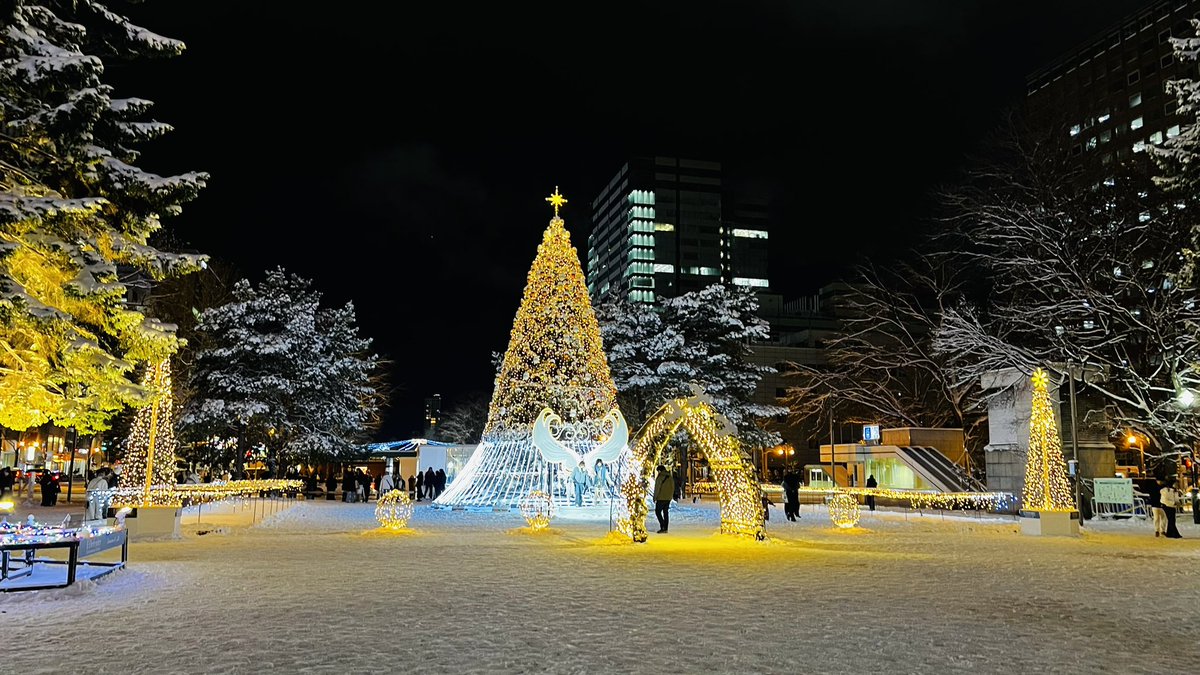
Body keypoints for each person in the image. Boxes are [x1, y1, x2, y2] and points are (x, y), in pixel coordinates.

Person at [653, 465, 675, 533]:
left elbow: (657, 488)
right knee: (665, 513)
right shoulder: (670, 476)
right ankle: (666, 528)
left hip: (661, 498)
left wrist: (655, 497)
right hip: (668, 498)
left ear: (660, 470)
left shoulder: (660, 477)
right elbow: (673, 487)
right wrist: (670, 496)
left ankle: (662, 526)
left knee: (658, 512)